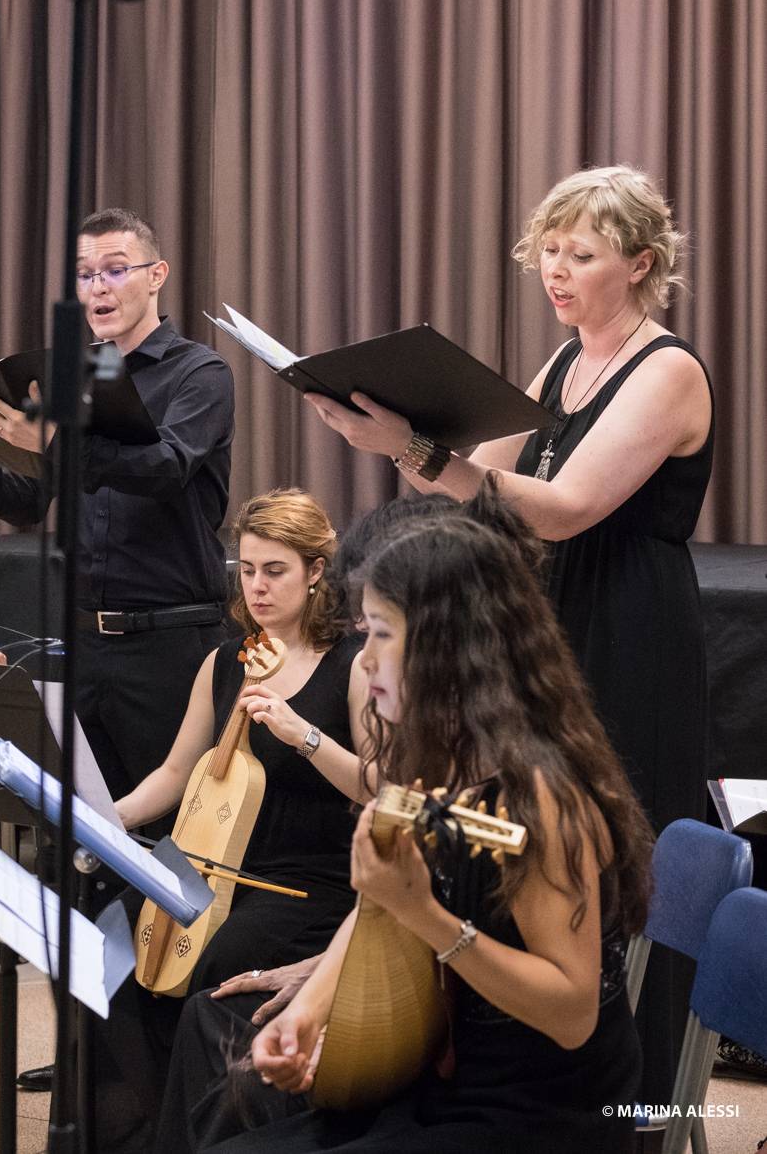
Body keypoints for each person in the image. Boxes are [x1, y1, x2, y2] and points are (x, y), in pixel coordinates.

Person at [303, 166, 713, 1102]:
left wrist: (413, 451)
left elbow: (561, 509)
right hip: (551, 619)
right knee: (536, 842)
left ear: (640, 263)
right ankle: (532, 1068)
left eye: (582, 254)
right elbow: (475, 486)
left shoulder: (670, 368)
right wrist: (387, 433)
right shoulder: (564, 362)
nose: (556, 272)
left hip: (630, 626)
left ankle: (632, 1095)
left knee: (618, 844)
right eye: (548, 253)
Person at [191, 504, 654, 1154]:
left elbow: (573, 1013)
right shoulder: (438, 758)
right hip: (449, 1071)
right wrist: (304, 1016)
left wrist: (426, 915)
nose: (365, 658)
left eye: (381, 634)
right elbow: (378, 903)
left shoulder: (538, 795)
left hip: (542, 1111)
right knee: (231, 1099)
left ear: (445, 647)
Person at [94, 487, 369, 1153]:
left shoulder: (354, 664)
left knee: (212, 970)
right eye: (246, 571)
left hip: (309, 883)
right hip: (211, 866)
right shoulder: (224, 662)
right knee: (104, 955)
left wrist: (302, 733)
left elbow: (381, 787)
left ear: (314, 570)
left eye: (274, 571)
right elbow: (174, 772)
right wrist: (100, 818)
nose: (257, 588)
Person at [0, 208, 235, 816]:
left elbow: (166, 468)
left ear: (156, 275)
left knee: (167, 827)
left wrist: (56, 442)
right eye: (83, 275)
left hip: (170, 642)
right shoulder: (72, 377)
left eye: (114, 270)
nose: (97, 288)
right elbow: (29, 502)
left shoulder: (200, 372)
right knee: (87, 831)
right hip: (82, 642)